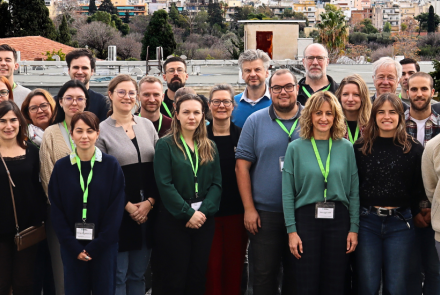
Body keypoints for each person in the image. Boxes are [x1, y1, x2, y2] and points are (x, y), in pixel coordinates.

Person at [282, 91, 359, 295]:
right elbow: (288, 192)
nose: (324, 118)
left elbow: (353, 192)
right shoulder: (295, 148)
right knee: (306, 282)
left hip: (339, 220)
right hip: (306, 220)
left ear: (336, 117)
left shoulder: (346, 148)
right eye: (318, 113)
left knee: (335, 283)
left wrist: (354, 228)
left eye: (329, 113)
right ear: (310, 116)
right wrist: (291, 231)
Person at [235, 69, 302, 295]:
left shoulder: (312, 119)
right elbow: (242, 167)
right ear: (270, 90)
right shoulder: (255, 121)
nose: (283, 92)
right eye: (277, 88)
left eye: (288, 87)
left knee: (298, 274)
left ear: (297, 88)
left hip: (303, 212)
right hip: (265, 214)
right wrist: (249, 208)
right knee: (263, 276)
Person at [354, 93, 425, 295]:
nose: (387, 117)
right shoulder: (360, 147)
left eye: (392, 112)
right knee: (368, 284)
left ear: (401, 116)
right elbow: (354, 187)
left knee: (396, 286)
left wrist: (420, 210)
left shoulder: (413, 148)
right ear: (374, 116)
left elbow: (419, 187)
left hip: (401, 223)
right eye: (381, 112)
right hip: (367, 222)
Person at [48, 111, 125, 295]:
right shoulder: (61, 167)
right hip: (72, 246)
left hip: (104, 246)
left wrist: (96, 246)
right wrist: (74, 247)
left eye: (90, 131)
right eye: (79, 131)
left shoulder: (111, 165)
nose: (84, 136)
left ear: (97, 133)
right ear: (71, 134)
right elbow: (57, 211)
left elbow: (115, 210)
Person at [95, 74, 158, 295]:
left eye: (132, 92)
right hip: (119, 214)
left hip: (148, 212)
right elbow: (101, 180)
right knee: (119, 275)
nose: (127, 96)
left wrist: (150, 202)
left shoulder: (147, 126)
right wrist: (129, 206)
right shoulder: (101, 131)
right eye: (121, 92)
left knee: (139, 274)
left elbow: (158, 170)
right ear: (110, 95)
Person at [153, 94, 221, 295]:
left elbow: (217, 184)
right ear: (176, 115)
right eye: (186, 112)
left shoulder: (210, 146)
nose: (192, 117)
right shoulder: (165, 145)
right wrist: (187, 213)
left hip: (203, 221)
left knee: (198, 276)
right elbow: (164, 185)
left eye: (196, 112)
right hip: (175, 221)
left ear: (203, 115)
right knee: (175, 277)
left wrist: (202, 212)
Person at [40, 80, 89, 295]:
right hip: (60, 215)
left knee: (91, 270)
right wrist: (65, 209)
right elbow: (46, 175)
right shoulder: (51, 133)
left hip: (92, 214)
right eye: (69, 98)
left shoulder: (96, 130)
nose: (74, 103)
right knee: (63, 273)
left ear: (86, 102)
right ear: (60, 102)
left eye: (79, 98)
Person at [0, 101, 46, 295]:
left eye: (13, 120)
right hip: (0, 228)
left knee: (24, 283)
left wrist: (39, 219)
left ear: (20, 122)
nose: (8, 126)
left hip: (27, 228)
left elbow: (39, 187)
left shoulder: (33, 152)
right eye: (2, 121)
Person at [205, 84, 246, 295]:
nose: (221, 106)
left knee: (234, 267)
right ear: (209, 106)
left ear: (233, 105)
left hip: (236, 213)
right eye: (216, 101)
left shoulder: (243, 136)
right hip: (207, 214)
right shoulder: (198, 137)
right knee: (211, 269)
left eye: (226, 101)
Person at [404, 72, 440, 295]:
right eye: (414, 89)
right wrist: (415, 208)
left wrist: (429, 207)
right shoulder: (394, 123)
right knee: (408, 272)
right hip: (405, 212)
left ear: (432, 92)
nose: (419, 94)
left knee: (436, 272)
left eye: (424, 89)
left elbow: (435, 182)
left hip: (435, 214)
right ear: (406, 92)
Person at [20, 88, 57, 294]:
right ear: (27, 113)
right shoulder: (23, 140)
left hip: (59, 209)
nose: (40, 110)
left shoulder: (65, 133)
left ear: (52, 107)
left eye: (44, 105)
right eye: (33, 108)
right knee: (34, 269)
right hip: (33, 214)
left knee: (55, 268)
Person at [53, 49, 109, 123]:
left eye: (84, 68)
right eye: (76, 67)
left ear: (92, 71)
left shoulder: (102, 103)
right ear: (69, 70)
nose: (79, 72)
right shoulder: (54, 103)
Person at [232, 49, 272, 128]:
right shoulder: (232, 104)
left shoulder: (277, 102)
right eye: (248, 70)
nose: (253, 74)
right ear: (242, 75)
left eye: (257, 69)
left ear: (267, 73)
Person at [335, 74, 372, 144]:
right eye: (345, 94)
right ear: (340, 97)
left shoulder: (372, 125)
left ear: (363, 97)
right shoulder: (332, 124)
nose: (350, 99)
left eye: (356, 94)